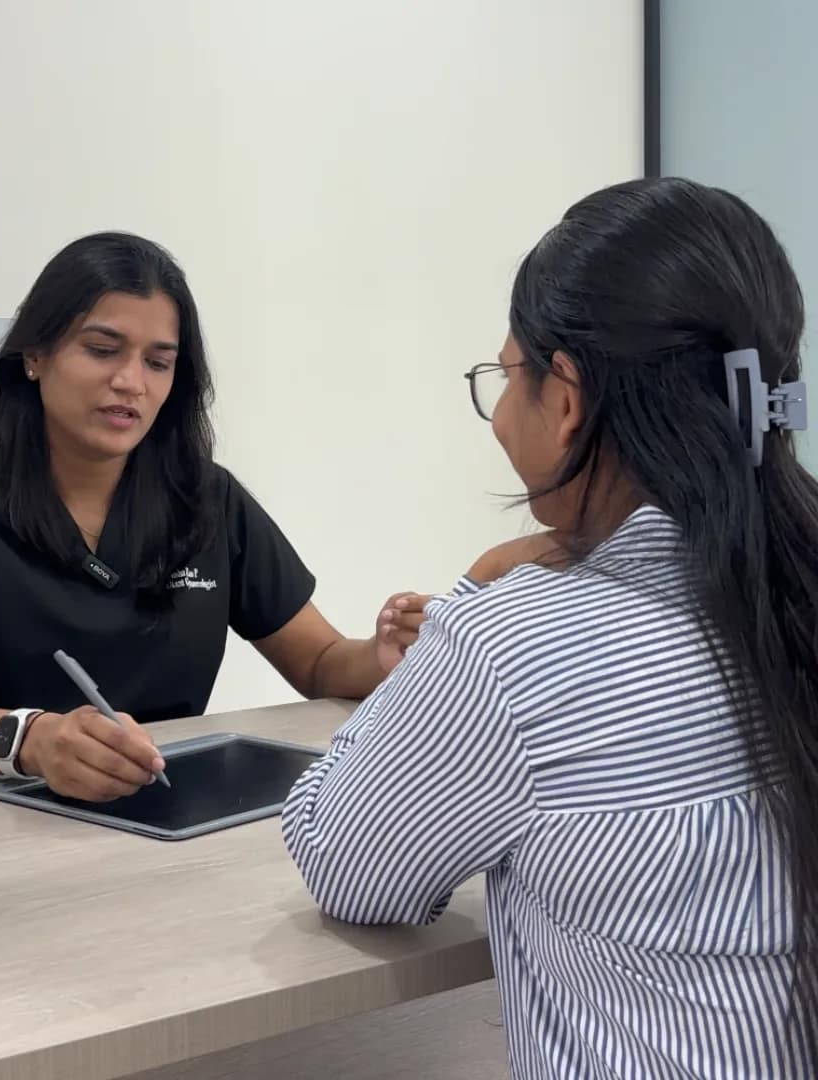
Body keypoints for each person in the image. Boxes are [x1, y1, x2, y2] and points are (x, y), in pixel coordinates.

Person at [281, 177, 818, 1075]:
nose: (497, 412)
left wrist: (473, 608)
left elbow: (345, 860)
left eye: (505, 375)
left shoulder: (515, 643)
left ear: (566, 398)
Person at [0, 231, 425, 802]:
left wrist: (378, 657)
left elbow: (320, 662)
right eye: (102, 350)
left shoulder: (206, 500)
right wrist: (35, 740)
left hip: (162, 812)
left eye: (158, 363)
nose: (131, 383)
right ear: (35, 356)